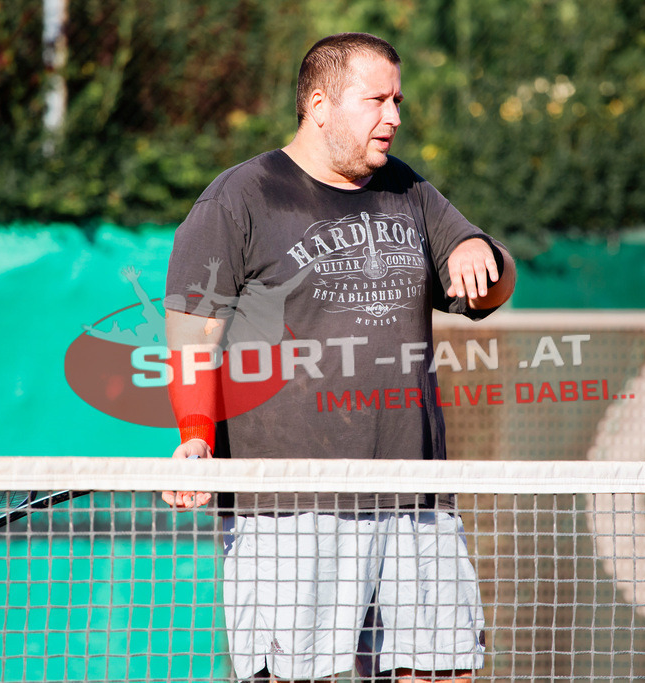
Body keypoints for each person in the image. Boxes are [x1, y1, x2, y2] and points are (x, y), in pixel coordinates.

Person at [161, 32, 516, 683]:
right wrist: (194, 435)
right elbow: (191, 337)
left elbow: (489, 286)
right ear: (319, 106)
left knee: (445, 673)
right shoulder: (240, 198)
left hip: (418, 503)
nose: (396, 117)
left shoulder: (409, 190)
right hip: (292, 511)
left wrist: (479, 253)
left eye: (398, 99)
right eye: (377, 100)